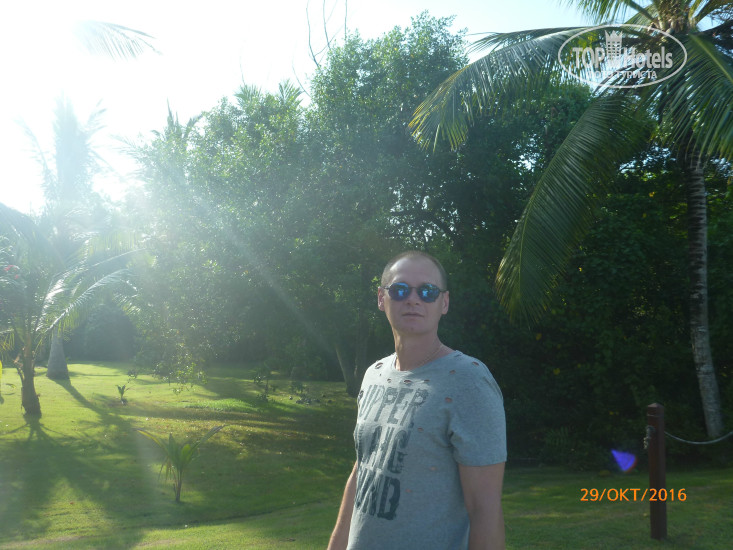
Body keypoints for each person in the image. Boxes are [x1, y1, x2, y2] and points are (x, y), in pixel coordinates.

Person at [328, 251, 506, 550]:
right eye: (400, 290)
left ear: (444, 303)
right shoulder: (374, 374)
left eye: (427, 291)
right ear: (381, 298)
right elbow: (364, 469)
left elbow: (485, 511)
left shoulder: (469, 380)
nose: (413, 299)